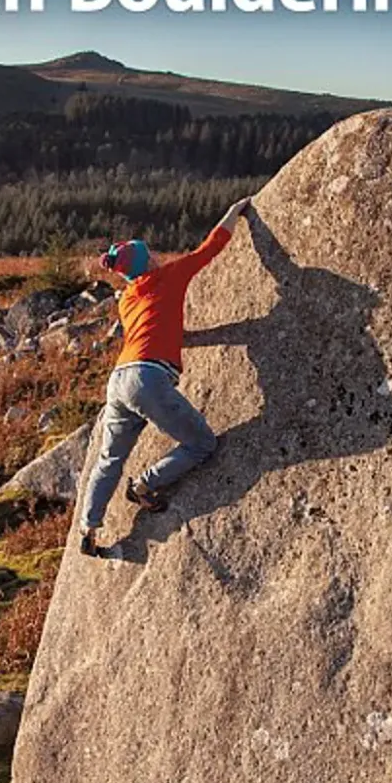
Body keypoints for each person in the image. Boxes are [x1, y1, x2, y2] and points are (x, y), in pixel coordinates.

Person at [79, 196, 251, 556]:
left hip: (119, 379)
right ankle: (144, 486)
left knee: (109, 460)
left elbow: (150, 331)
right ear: (147, 261)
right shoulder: (168, 277)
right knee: (202, 444)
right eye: (151, 253)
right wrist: (234, 212)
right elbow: (209, 248)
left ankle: (88, 528)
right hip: (147, 378)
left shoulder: (127, 298)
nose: (157, 255)